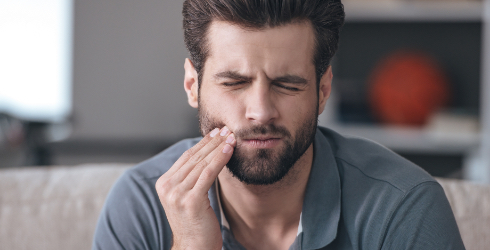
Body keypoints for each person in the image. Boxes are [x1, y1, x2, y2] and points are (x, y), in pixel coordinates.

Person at [93, 0, 465, 249]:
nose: (260, 111)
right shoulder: (141, 204)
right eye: (234, 83)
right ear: (193, 86)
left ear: (322, 91)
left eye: (287, 85)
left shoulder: (402, 205)